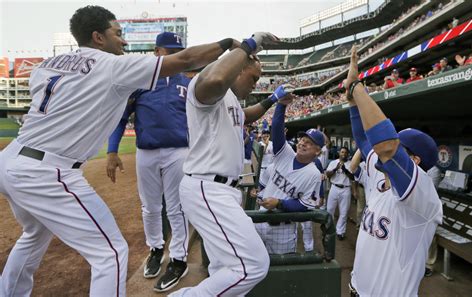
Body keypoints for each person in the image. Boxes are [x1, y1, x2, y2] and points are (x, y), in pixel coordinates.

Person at [0, 5, 239, 296]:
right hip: (49, 171)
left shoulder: (45, 65)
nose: (124, 41)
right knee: (110, 252)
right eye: (118, 33)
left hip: (11, 159)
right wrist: (232, 44)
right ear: (98, 37)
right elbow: (187, 59)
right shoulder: (114, 66)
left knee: (33, 235)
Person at [170, 32, 280, 296]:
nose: (256, 84)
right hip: (208, 188)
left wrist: (273, 99)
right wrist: (251, 44)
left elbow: (246, 116)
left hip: (222, 190)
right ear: (237, 67)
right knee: (252, 265)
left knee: (226, 269)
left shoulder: (229, 100)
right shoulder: (206, 87)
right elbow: (218, 77)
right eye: (253, 77)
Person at [345, 45, 442, 296]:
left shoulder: (422, 191)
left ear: (415, 161)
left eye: (401, 147)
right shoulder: (381, 175)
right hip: (356, 289)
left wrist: (357, 87)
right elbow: (363, 139)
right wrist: (354, 104)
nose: (385, 149)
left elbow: (386, 146)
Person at [106, 32, 192, 292]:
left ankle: (179, 259)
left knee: (177, 208)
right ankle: (156, 249)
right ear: (157, 52)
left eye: (179, 50)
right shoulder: (140, 82)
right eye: (170, 50)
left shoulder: (189, 83)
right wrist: (112, 151)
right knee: (150, 207)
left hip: (179, 152)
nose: (176, 54)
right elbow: (120, 119)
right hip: (147, 152)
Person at [256, 98, 324, 254]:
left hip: (283, 229)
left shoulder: (314, 174)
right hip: (260, 220)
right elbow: (278, 129)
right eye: (302, 139)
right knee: (254, 266)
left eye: (309, 142)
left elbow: (305, 205)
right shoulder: (286, 153)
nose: (302, 143)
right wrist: (281, 104)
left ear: (318, 151)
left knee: (281, 270)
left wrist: (279, 203)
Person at [325, 147, 354, 240]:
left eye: (345, 152)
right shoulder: (333, 162)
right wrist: (335, 169)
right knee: (329, 210)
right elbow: (327, 175)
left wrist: (345, 170)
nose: (343, 154)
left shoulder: (351, 164)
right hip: (334, 187)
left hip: (345, 189)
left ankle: (340, 232)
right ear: (339, 153)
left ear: (348, 154)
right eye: (342, 152)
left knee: (344, 212)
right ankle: (329, 229)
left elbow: (353, 177)